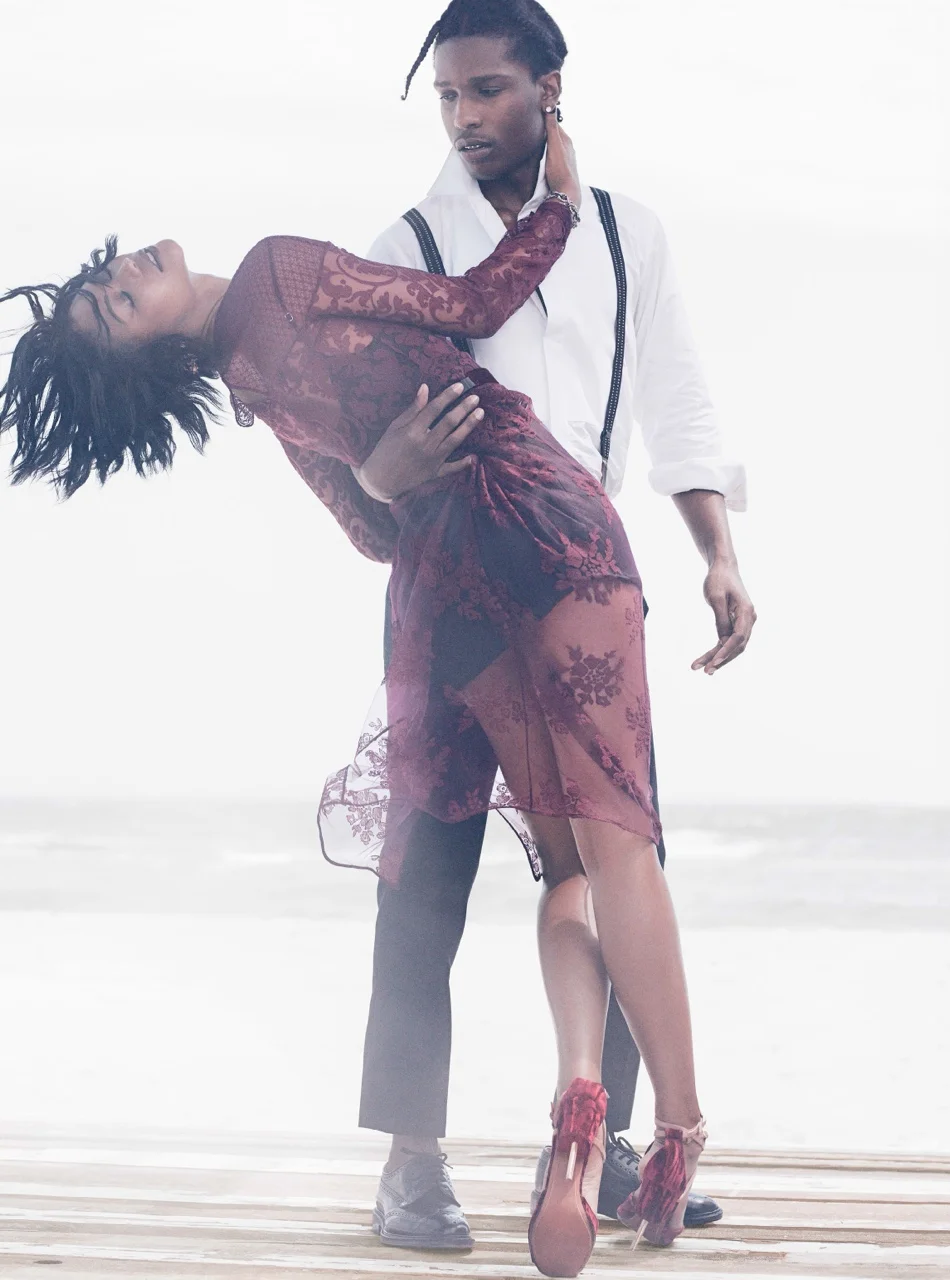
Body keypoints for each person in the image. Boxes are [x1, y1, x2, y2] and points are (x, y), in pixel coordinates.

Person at [2, 111, 712, 1278]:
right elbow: (474, 303)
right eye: (118, 302)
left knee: (475, 876)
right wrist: (558, 208)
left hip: (444, 590)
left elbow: (369, 529)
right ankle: (648, 1134)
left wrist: (380, 478)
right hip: (541, 527)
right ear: (143, 355)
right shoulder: (275, 270)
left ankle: (527, 1137)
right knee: (608, 852)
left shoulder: (248, 381)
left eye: (110, 274)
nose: (128, 271)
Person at [351, 0, 755, 1253]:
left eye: (486, 90)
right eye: (447, 98)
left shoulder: (628, 233)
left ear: (549, 85)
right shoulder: (408, 245)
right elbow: (345, 431)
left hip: (582, 580)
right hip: (450, 587)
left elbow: (676, 395)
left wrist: (716, 550)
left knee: (620, 854)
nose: (465, 117)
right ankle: (410, 1163)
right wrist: (372, 472)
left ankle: (607, 1142)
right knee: (429, 862)